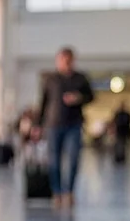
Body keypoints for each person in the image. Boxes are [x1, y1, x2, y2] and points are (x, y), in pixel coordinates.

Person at [34, 47, 94, 207]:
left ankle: (69, 191)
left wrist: (78, 98)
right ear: (58, 60)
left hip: (74, 124)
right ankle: (57, 191)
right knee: (54, 159)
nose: (66, 63)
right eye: (63, 60)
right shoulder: (51, 79)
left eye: (69, 60)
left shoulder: (80, 78)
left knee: (74, 158)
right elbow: (43, 103)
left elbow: (91, 97)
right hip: (54, 124)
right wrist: (37, 125)